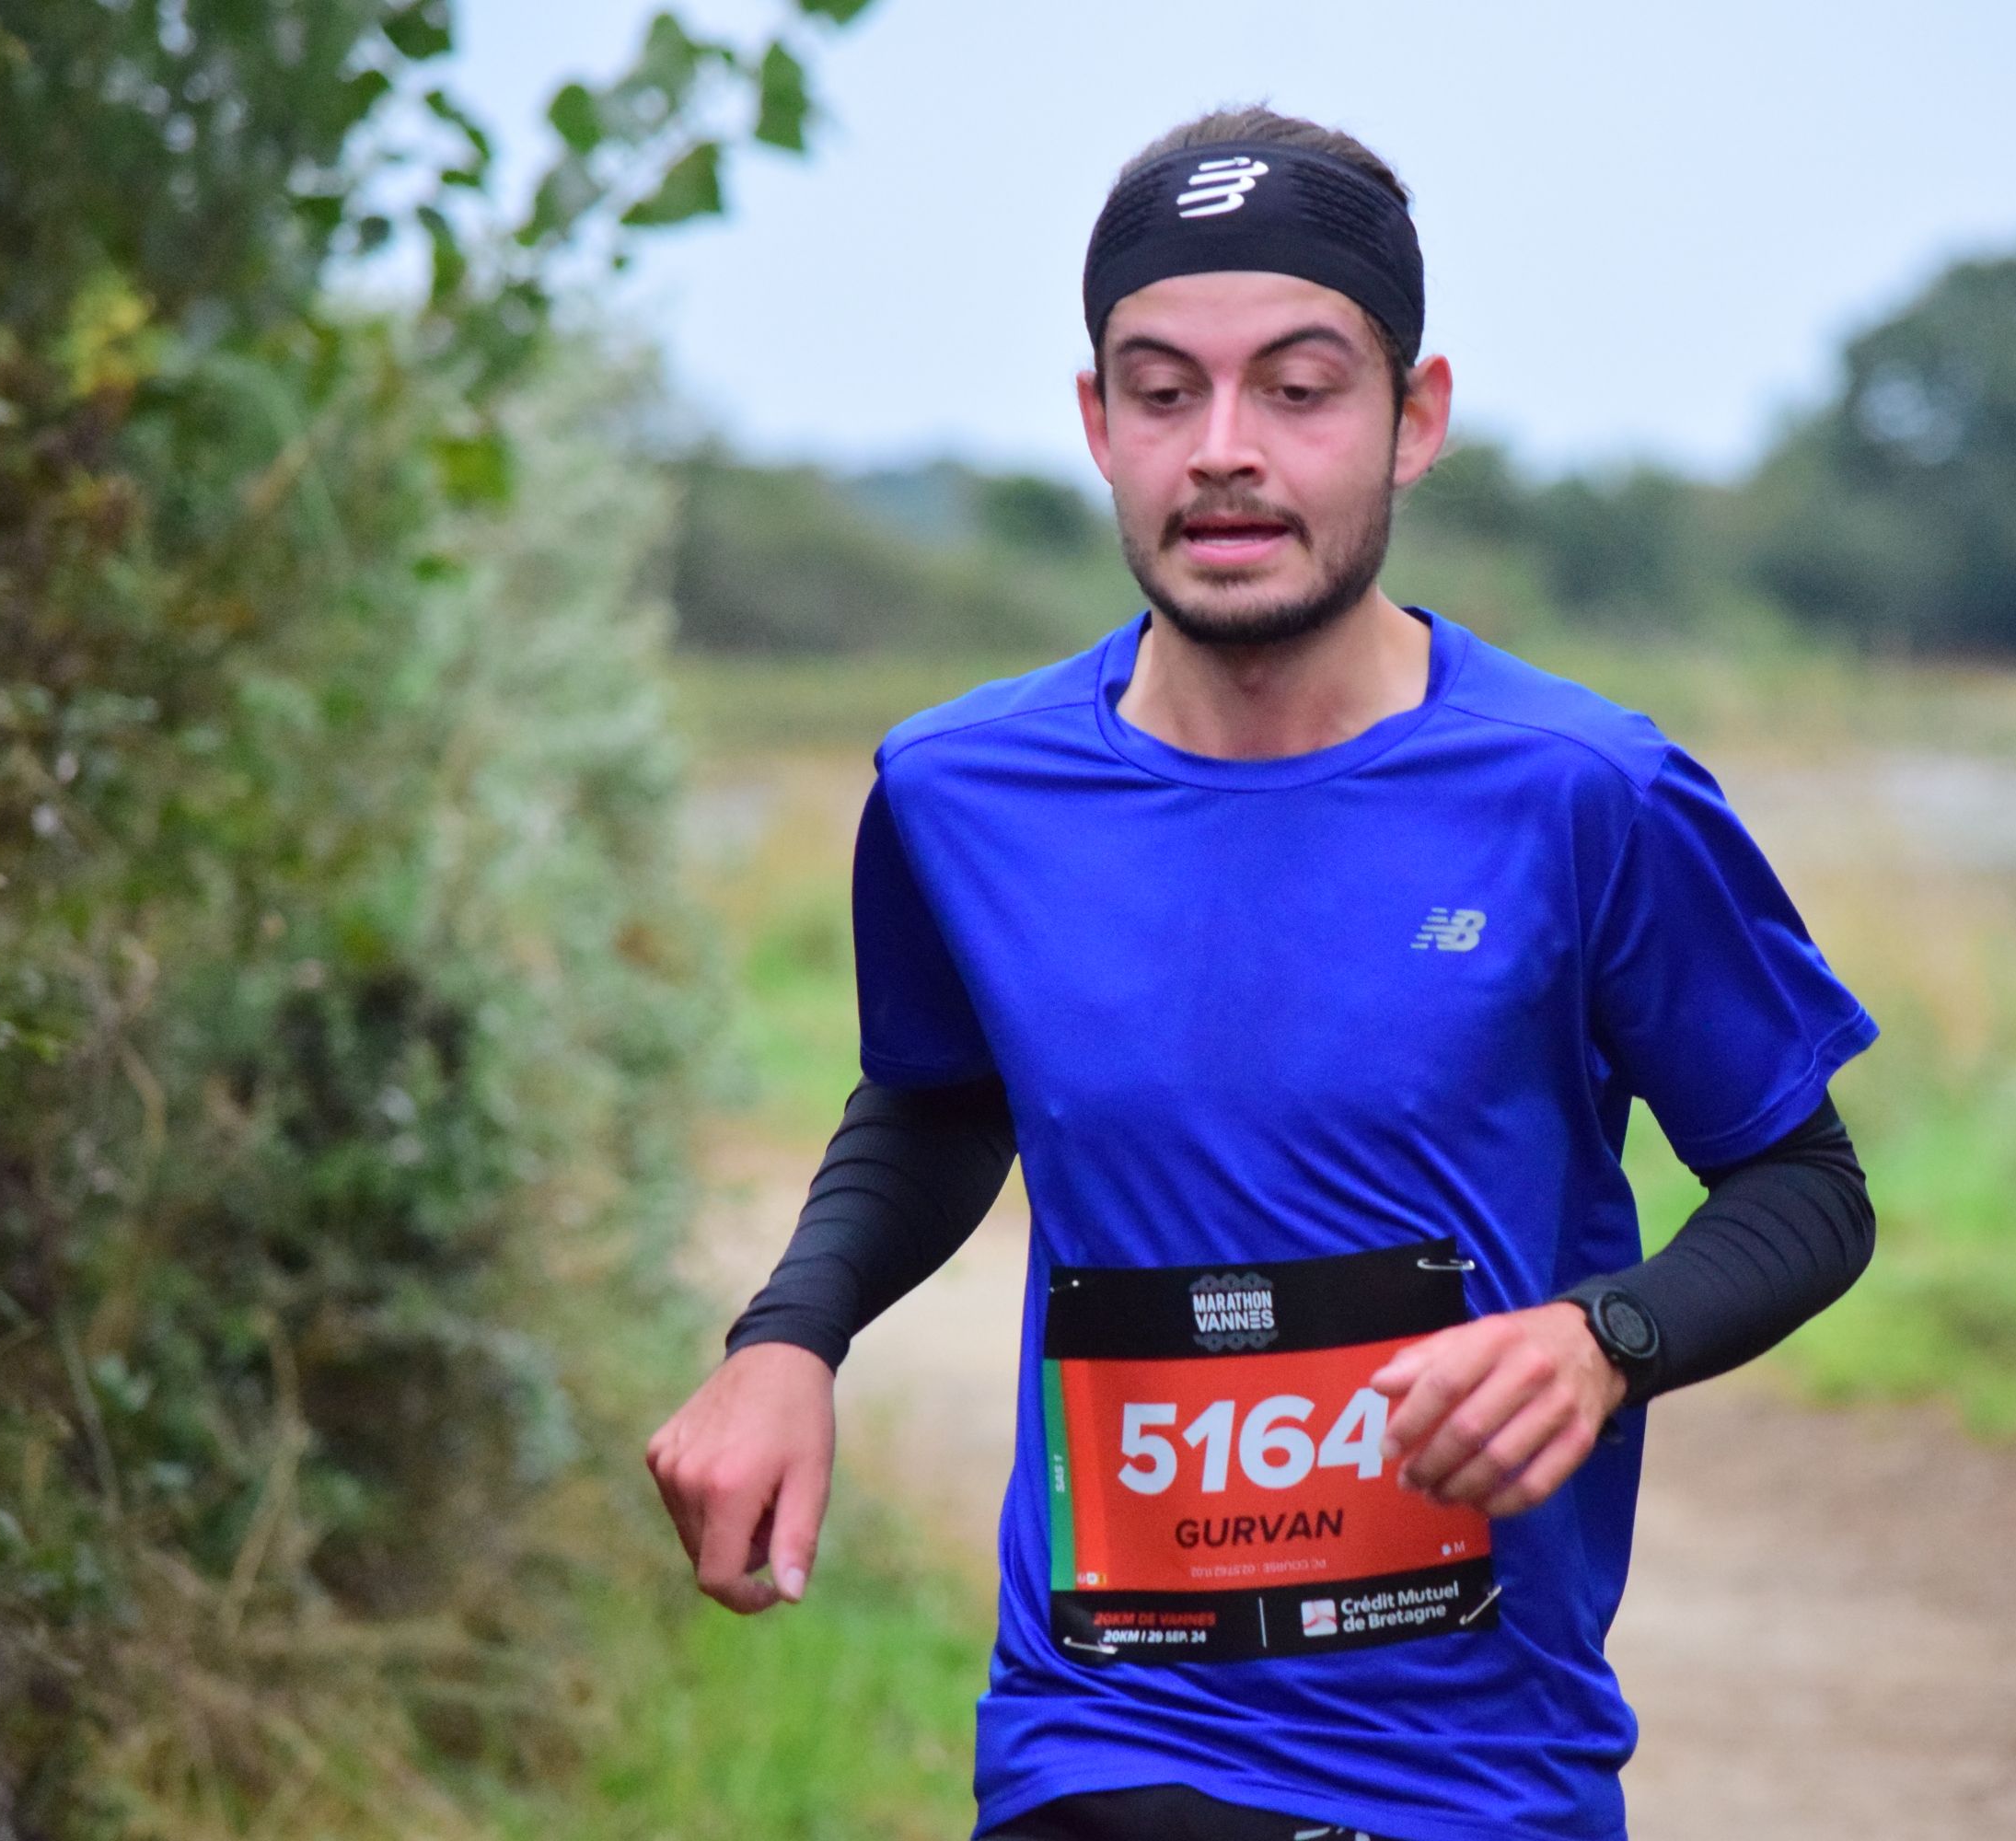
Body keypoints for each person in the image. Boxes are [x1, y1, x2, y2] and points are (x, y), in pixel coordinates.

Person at [645, 105, 1883, 1841]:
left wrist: (1607, 1341)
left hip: (1474, 1772)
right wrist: (790, 1339)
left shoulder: (1584, 792)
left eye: (1299, 390)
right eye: (1163, 392)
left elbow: (1805, 1188)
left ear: (1414, 419)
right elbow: (937, 1104)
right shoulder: (958, 795)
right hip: (1099, 1735)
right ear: (1098, 423)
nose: (1224, 451)